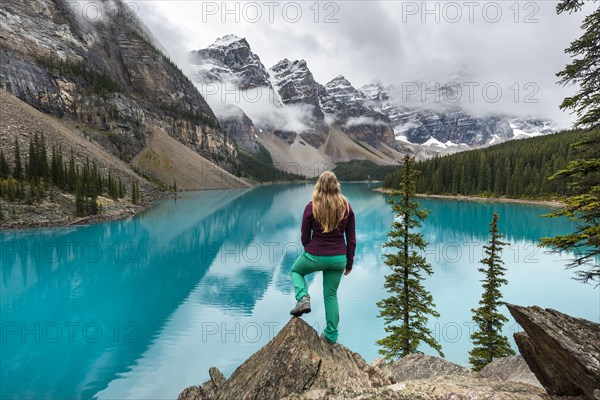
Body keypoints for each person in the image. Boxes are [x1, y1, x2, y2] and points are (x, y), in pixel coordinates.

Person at [289, 171, 356, 344]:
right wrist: (349, 263)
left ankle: (303, 297)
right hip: (339, 258)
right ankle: (331, 335)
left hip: (315, 254)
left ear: (319, 186)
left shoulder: (311, 207)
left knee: (296, 270)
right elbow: (352, 239)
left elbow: (305, 234)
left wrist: (308, 249)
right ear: (337, 186)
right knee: (331, 295)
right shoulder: (347, 207)